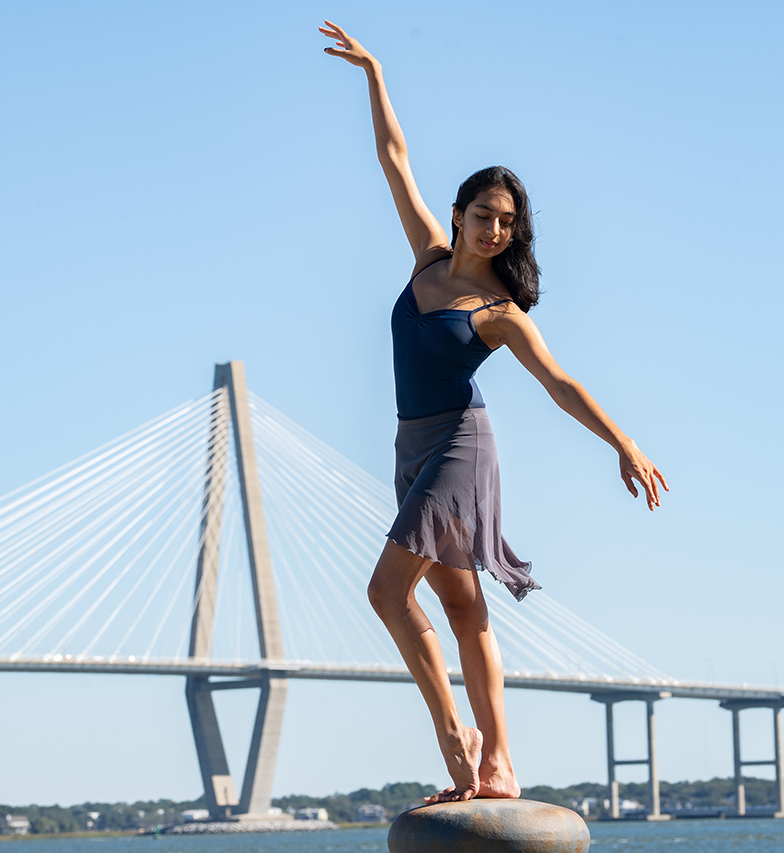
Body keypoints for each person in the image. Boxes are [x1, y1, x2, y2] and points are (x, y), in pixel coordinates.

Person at [321, 20, 668, 803]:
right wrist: (374, 72)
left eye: (507, 220)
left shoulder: (499, 309)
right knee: (459, 602)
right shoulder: (429, 259)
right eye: (485, 212)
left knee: (385, 591)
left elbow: (560, 382)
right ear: (460, 213)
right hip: (411, 445)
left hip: (459, 446)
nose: (496, 226)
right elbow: (393, 158)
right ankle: (499, 765)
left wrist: (624, 442)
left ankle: (460, 743)